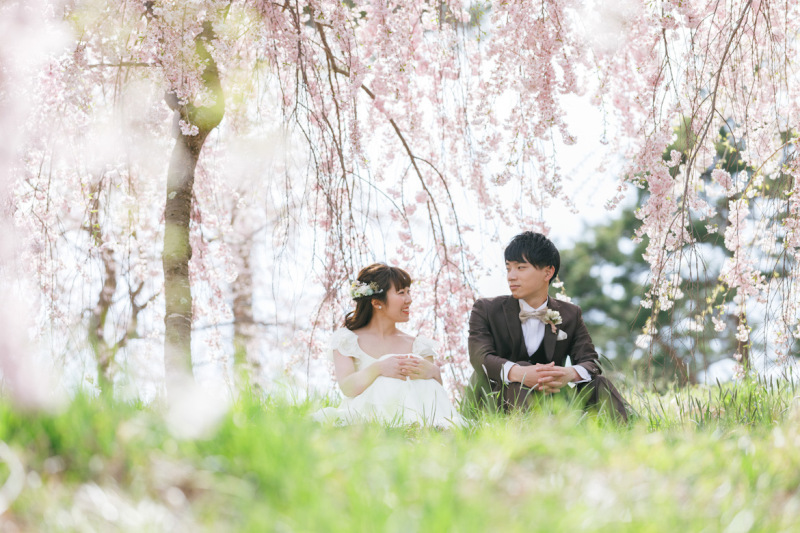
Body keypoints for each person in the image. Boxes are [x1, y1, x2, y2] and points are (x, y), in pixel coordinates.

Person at [467, 231, 628, 421]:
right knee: (520, 376)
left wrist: (568, 373)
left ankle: (631, 431)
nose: (511, 276)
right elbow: (480, 357)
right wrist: (520, 373)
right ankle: (530, 435)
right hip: (496, 402)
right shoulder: (486, 309)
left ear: (548, 272)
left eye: (520, 267)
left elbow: (591, 362)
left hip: (551, 400)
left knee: (599, 383)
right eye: (508, 268)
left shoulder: (570, 314)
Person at [315, 263, 465, 428]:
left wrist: (435, 373)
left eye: (408, 292)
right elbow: (347, 387)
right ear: (376, 302)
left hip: (418, 420)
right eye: (401, 293)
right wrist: (379, 368)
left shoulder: (418, 345)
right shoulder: (347, 340)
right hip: (366, 418)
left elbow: (430, 395)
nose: (409, 300)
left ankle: (422, 430)